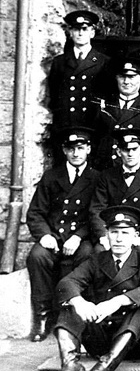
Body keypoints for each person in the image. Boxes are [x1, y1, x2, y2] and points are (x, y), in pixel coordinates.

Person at [52, 206, 140, 371]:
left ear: (135, 236)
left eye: (125, 233)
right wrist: (79, 302)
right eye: (114, 232)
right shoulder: (96, 260)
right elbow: (67, 282)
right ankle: (70, 364)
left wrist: (118, 301)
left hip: (134, 342)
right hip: (100, 338)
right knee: (71, 300)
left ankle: (105, 365)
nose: (118, 238)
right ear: (107, 234)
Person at [26, 127, 99, 342]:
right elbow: (36, 212)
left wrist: (78, 236)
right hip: (54, 237)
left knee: (88, 256)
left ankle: (78, 316)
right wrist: (45, 235)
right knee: (37, 256)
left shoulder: (97, 178)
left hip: (82, 238)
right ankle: (42, 317)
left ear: (88, 149)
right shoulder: (51, 176)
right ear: (64, 151)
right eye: (71, 149)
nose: (76, 154)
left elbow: (98, 213)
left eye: (80, 148)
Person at [89, 128, 140, 255]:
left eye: (134, 149)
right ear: (119, 152)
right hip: (114, 233)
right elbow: (97, 209)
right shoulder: (107, 176)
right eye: (126, 150)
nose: (130, 154)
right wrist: (104, 236)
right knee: (101, 252)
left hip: (139, 234)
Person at [91, 56, 140, 170]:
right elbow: (95, 141)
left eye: (132, 77)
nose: (126, 82)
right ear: (116, 78)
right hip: (105, 170)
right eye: (122, 77)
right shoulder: (104, 106)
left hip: (136, 171)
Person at [47, 11, 110, 130]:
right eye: (76, 29)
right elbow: (54, 93)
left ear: (92, 33)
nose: (80, 33)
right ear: (70, 33)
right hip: (66, 122)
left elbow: (106, 94)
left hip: (91, 123)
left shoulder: (104, 61)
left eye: (85, 29)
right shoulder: (59, 62)